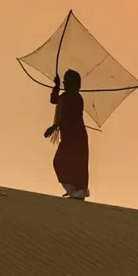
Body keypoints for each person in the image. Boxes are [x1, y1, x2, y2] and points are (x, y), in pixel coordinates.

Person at [44, 69, 89, 200]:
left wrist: (54, 126)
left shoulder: (77, 98)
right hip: (68, 137)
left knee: (77, 165)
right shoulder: (65, 96)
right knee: (61, 162)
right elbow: (54, 100)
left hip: (77, 137)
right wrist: (56, 86)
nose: (65, 83)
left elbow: (70, 117)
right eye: (64, 81)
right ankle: (74, 191)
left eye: (66, 81)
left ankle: (78, 193)